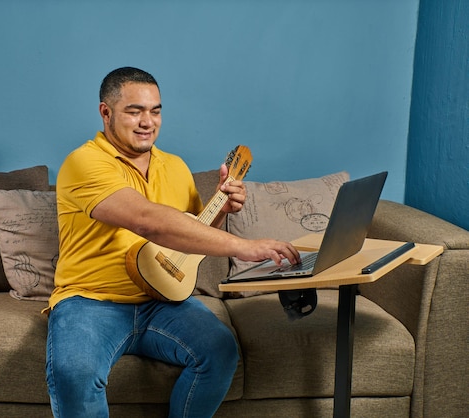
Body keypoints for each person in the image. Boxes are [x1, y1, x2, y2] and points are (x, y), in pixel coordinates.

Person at [45, 67, 300, 417]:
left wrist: (221, 208)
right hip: (91, 300)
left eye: (156, 110)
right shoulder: (83, 162)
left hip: (162, 299)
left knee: (220, 350)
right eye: (134, 111)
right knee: (75, 372)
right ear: (106, 112)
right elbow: (147, 221)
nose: (147, 121)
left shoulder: (176, 167)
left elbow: (193, 235)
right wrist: (246, 246)